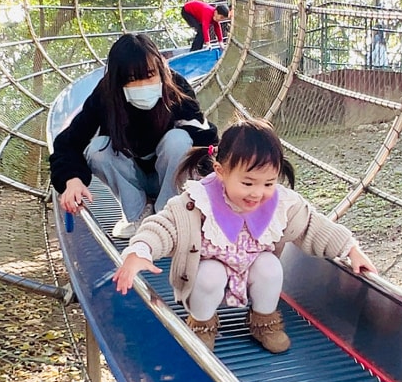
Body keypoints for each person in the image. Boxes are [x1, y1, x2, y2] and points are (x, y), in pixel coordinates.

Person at [113, 117, 377, 353]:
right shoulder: (199, 202)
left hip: (250, 269)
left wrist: (350, 249)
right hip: (207, 271)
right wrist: (140, 251)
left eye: (268, 183)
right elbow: (164, 226)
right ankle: (202, 324)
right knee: (210, 274)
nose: (257, 193)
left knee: (270, 266)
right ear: (221, 172)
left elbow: (313, 226)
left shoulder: (280, 204)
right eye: (248, 183)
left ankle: (263, 321)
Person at [50, 33, 217, 238]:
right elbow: (68, 143)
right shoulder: (105, 96)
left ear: (160, 70)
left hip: (170, 177)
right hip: (132, 178)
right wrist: (71, 179)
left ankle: (168, 214)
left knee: (179, 140)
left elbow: (204, 139)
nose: (142, 85)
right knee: (98, 149)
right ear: (117, 80)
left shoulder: (176, 89)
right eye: (131, 79)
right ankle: (139, 215)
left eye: (149, 75)